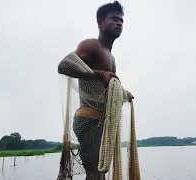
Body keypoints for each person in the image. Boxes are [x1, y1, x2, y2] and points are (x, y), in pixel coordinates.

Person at [58, 1, 133, 179]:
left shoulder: (111, 57)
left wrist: (124, 94)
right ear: (100, 22)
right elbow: (64, 65)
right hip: (88, 118)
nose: (119, 23)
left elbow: (107, 87)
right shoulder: (92, 45)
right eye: (114, 19)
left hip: (102, 122)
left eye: (121, 20)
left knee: (101, 171)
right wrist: (99, 74)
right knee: (95, 172)